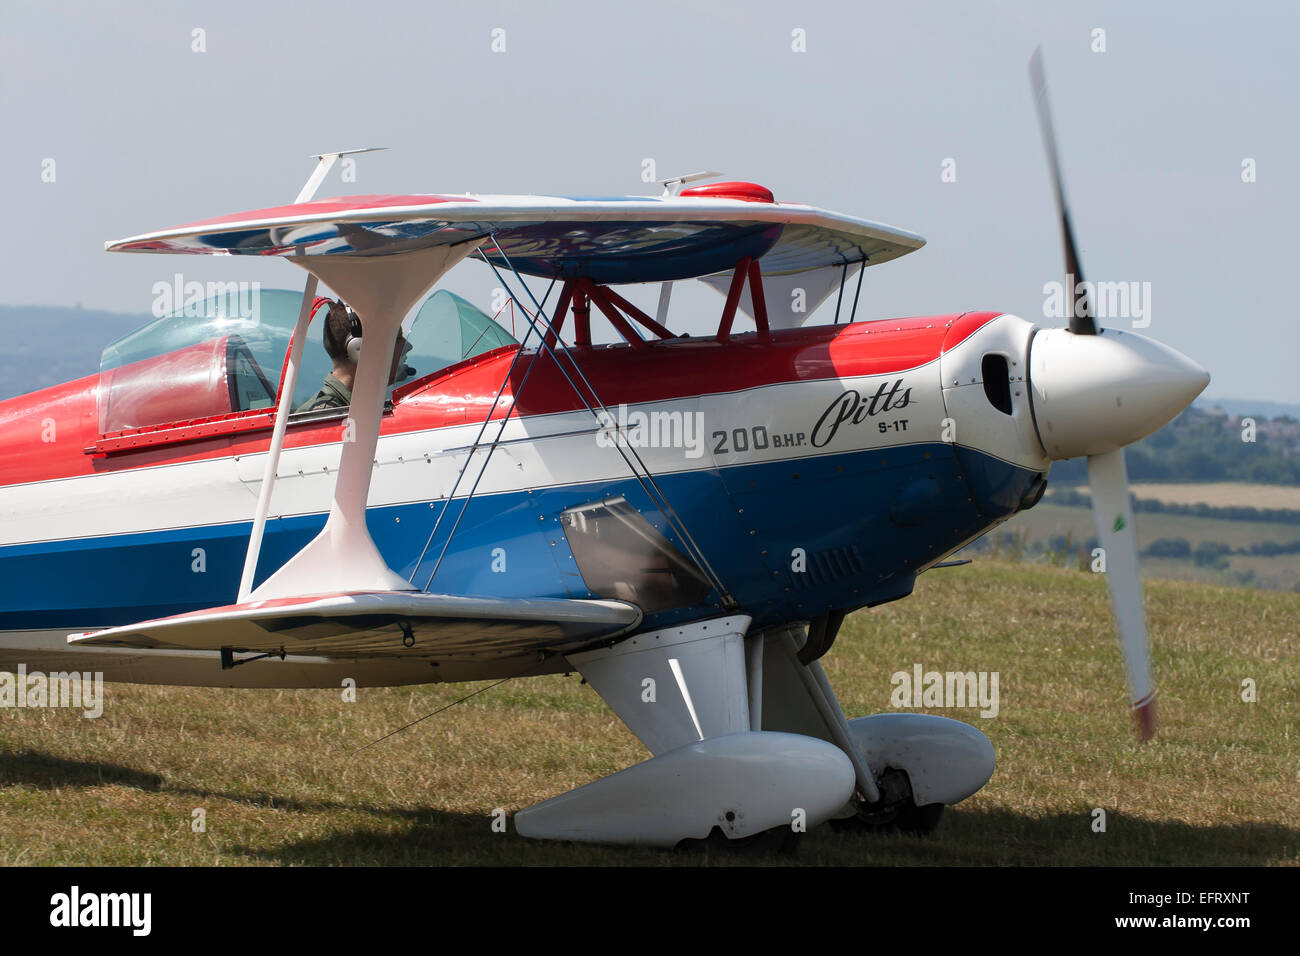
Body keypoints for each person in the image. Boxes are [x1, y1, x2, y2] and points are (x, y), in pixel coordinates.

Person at [295, 301, 411, 413]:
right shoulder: (325, 415)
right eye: (396, 339)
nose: (408, 346)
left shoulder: (361, 408)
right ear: (359, 349)